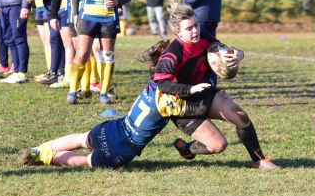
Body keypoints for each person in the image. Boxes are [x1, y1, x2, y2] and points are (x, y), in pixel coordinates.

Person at [18, 41, 207, 168]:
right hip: (123, 147)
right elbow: (198, 108)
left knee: (82, 139)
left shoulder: (153, 84)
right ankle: (45, 157)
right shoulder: (169, 98)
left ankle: (38, 149)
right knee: (87, 160)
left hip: (114, 127)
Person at [152, 1, 277, 169]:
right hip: (183, 107)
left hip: (205, 95)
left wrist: (239, 54)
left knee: (241, 116)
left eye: (196, 25)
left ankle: (259, 160)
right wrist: (189, 89)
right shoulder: (172, 54)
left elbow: (225, 51)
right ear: (177, 32)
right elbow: (163, 84)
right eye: (189, 28)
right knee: (219, 145)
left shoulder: (204, 38)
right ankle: (187, 148)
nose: (195, 30)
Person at [69, 0, 132, 105]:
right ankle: (73, 91)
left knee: (107, 55)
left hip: (109, 20)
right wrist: (75, 13)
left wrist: (118, 0)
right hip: (87, 17)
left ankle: (104, 92)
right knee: (82, 54)